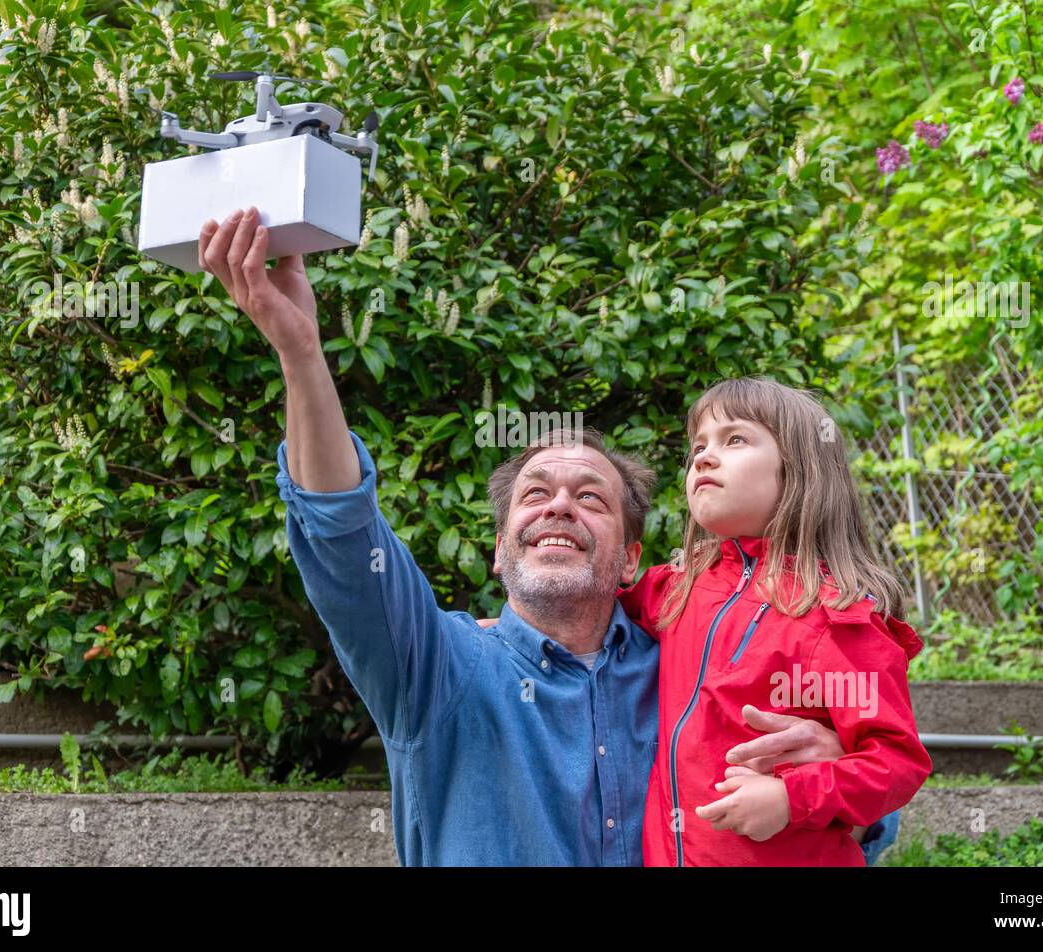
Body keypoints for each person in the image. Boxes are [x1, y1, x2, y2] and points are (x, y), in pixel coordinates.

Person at [197, 206, 899, 865]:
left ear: (631, 561)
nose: (558, 505)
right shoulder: (435, 665)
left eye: (590, 497)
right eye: (535, 495)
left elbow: (867, 819)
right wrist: (301, 354)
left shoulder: (691, 653)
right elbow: (341, 532)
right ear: (502, 550)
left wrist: (829, 770)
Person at [616, 376, 932, 865]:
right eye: (698, 445)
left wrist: (791, 799)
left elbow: (896, 762)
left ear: (799, 470)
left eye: (735, 439)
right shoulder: (675, 588)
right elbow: (589, 608)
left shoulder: (837, 617)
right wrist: (501, 629)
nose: (702, 456)